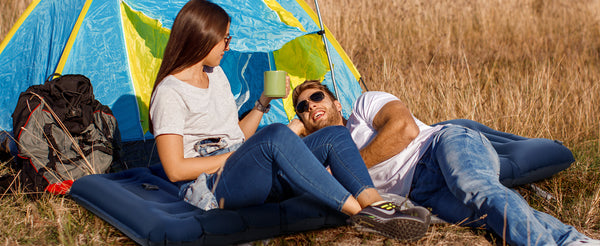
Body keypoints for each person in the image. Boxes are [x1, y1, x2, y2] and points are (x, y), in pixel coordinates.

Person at [147, 0, 430, 241]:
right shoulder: (170, 92)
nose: (228, 46)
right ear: (203, 37)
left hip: (242, 169)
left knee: (335, 135)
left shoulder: (216, 76)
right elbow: (175, 169)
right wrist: (235, 156)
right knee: (277, 134)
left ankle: (377, 205)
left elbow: (237, 137)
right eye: (225, 39)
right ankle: (363, 216)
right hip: (210, 186)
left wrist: (262, 103)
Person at [290, 80, 600, 246]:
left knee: (475, 188)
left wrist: (349, 164)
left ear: (335, 102)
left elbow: (405, 129)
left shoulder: (363, 105)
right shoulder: (318, 155)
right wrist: (295, 130)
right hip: (421, 191)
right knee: (481, 216)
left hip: (442, 145)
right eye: (302, 107)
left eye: (317, 97)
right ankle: (574, 241)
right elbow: (277, 157)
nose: (311, 106)